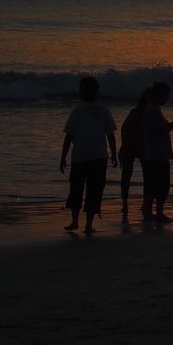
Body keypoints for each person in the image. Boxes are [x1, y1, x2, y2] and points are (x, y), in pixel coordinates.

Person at [59, 76, 117, 234]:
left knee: (76, 189)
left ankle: (75, 221)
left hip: (80, 156)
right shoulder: (103, 109)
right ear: (97, 91)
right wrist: (114, 154)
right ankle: (88, 224)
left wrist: (63, 156)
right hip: (99, 156)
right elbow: (110, 134)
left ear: (81, 92)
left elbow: (69, 136)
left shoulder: (77, 110)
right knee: (95, 190)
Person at [141, 82, 173, 223]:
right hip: (157, 154)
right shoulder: (152, 111)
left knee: (153, 185)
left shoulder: (153, 109)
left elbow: (162, 129)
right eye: (165, 95)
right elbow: (160, 131)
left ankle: (151, 212)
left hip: (154, 154)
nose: (166, 98)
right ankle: (157, 213)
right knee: (161, 185)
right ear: (157, 94)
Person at [117, 87, 149, 223]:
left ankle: (144, 203)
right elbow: (124, 130)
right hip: (130, 145)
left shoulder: (148, 113)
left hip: (142, 147)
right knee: (127, 175)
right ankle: (125, 202)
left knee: (146, 176)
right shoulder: (135, 113)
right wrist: (125, 145)